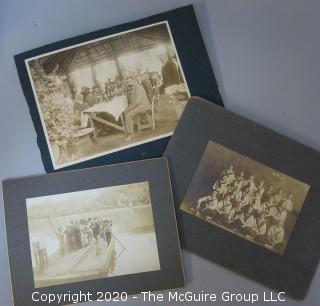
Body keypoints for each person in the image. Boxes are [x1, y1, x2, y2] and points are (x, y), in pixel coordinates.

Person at [123, 77, 152, 141]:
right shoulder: (132, 88)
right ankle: (129, 131)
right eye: (128, 83)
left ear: (134, 81)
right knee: (126, 113)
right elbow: (133, 101)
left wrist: (129, 108)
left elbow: (137, 102)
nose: (129, 84)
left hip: (144, 106)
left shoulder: (138, 88)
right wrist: (129, 108)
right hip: (139, 106)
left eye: (130, 82)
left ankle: (131, 134)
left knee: (128, 116)